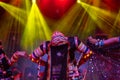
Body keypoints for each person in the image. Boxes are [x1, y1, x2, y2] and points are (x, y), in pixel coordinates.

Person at [29, 31, 94, 80]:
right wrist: (78, 64)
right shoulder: (74, 41)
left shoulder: (46, 45)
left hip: (53, 76)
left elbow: (33, 57)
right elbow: (88, 53)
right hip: (71, 75)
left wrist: (46, 64)